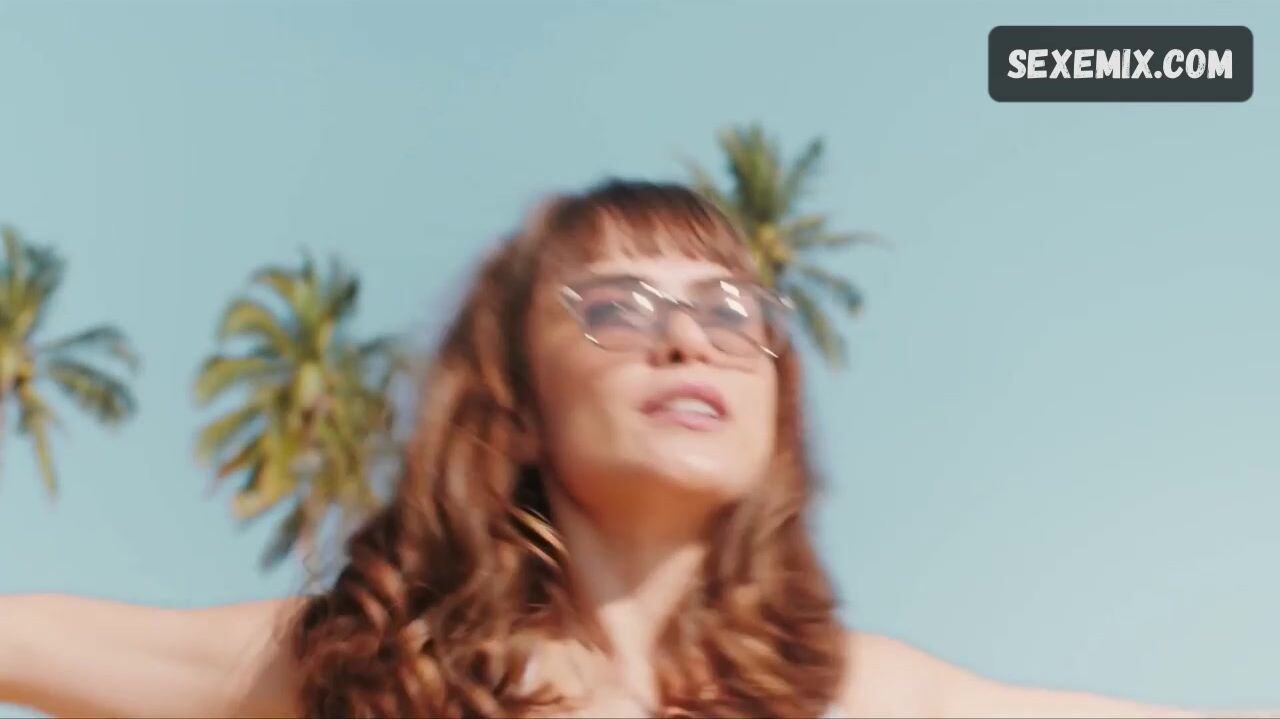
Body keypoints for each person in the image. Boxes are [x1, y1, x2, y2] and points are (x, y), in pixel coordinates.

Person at [0, 180, 1266, 719]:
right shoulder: (376, 662)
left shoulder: (850, 694)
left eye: (731, 311)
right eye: (614, 306)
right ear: (515, 402)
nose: (687, 339)